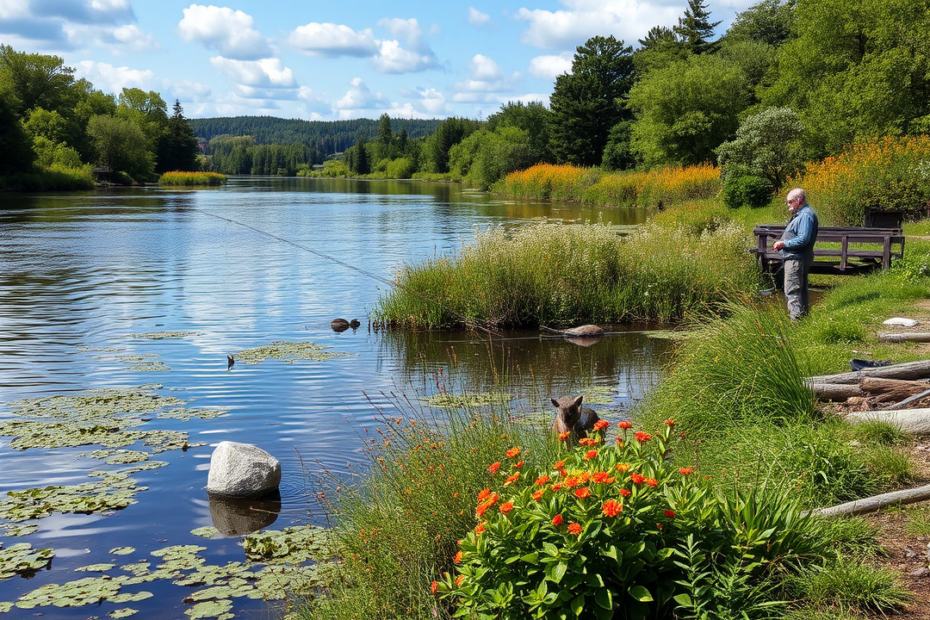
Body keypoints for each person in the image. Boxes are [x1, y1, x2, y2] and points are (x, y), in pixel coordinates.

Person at [773, 188, 818, 320]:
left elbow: (804, 238)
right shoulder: (803, 214)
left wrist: (783, 244)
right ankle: (803, 321)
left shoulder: (805, 216)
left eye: (789, 202)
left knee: (792, 291)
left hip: (796, 259)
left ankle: (796, 323)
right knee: (801, 291)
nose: (788, 205)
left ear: (798, 200)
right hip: (798, 258)